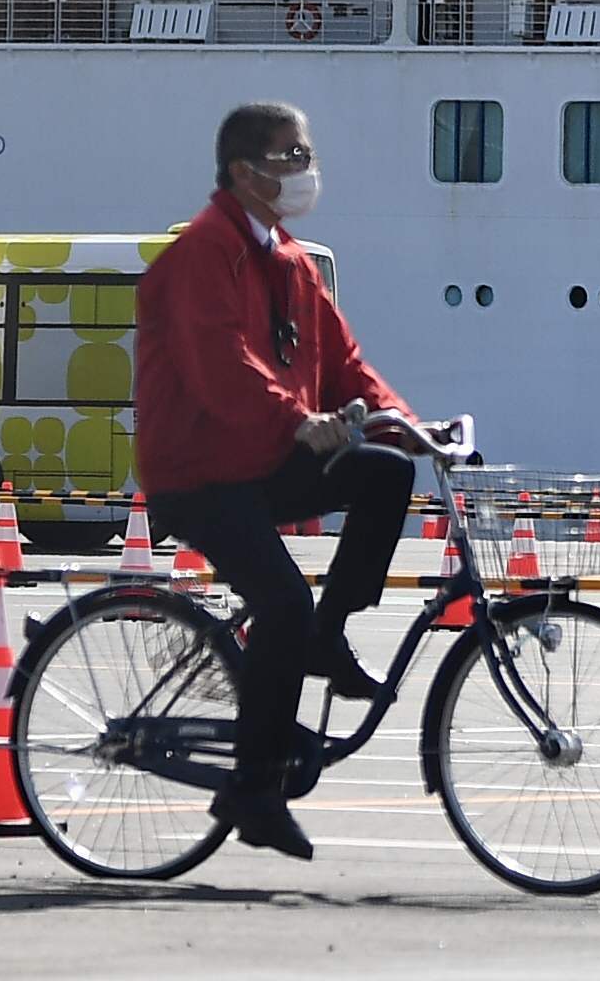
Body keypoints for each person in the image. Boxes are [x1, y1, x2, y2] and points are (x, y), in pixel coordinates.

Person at [133, 100, 427, 862]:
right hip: (199, 470)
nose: (307, 172)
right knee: (281, 601)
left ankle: (328, 636)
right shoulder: (203, 254)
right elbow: (220, 363)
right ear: (245, 172)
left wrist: (415, 425)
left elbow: (346, 361)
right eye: (292, 158)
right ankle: (253, 788)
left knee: (387, 472)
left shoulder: (290, 261)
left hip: (257, 458)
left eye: (306, 156)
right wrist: (298, 420)